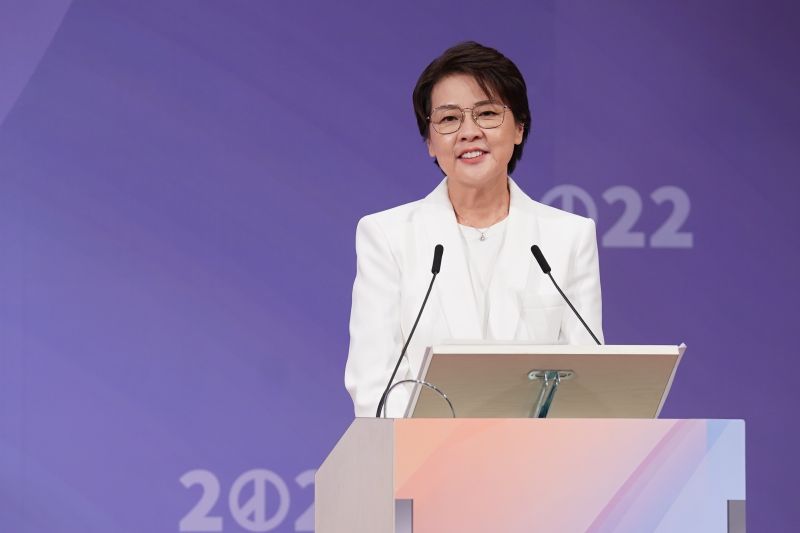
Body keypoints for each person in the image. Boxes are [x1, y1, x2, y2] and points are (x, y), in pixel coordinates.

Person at [345, 41, 603, 418]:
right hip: (425, 451)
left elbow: (587, 377)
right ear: (430, 141)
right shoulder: (387, 236)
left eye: (487, 114)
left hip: (539, 452)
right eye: (449, 119)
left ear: (519, 128)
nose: (469, 132)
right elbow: (375, 385)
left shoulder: (568, 238)